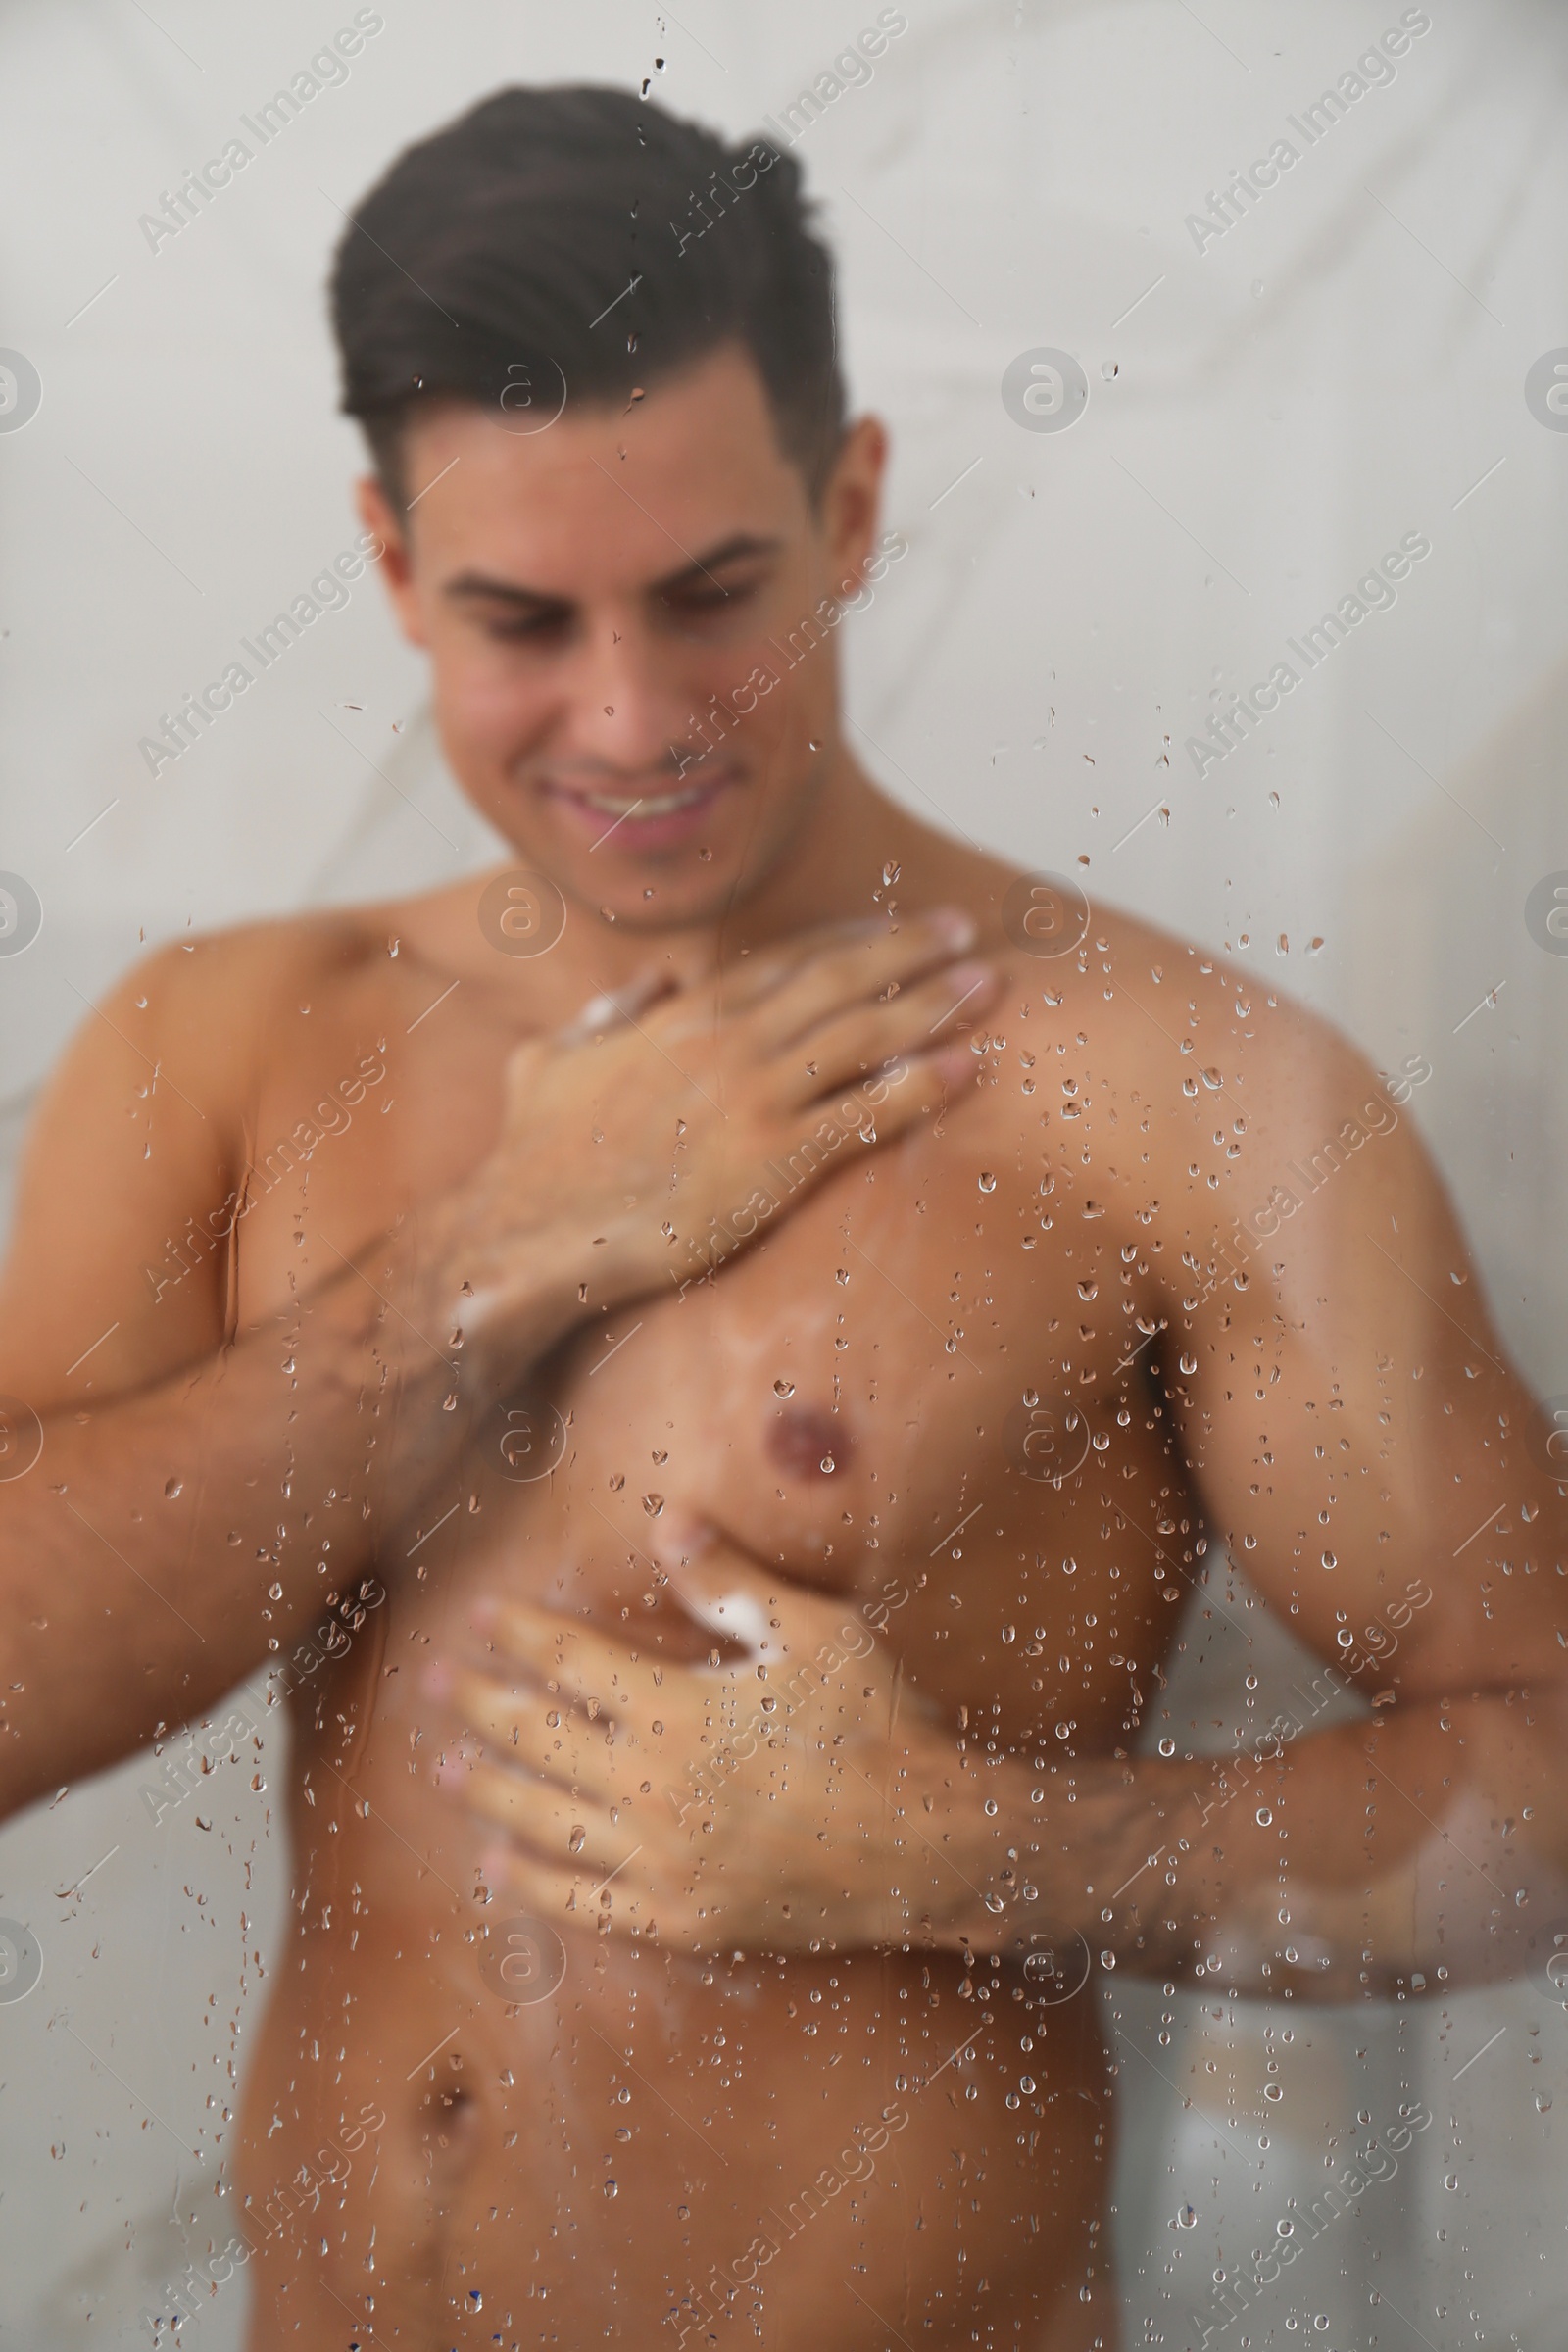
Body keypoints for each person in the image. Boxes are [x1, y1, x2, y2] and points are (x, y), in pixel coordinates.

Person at [0, 81, 1563, 2352]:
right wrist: (502, 1253)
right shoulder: (228, 1049)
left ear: (845, 507)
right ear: (384, 563)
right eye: (522, 618)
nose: (629, 717)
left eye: (711, 593)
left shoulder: (1178, 1104)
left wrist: (954, 1853)